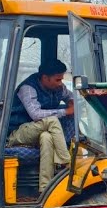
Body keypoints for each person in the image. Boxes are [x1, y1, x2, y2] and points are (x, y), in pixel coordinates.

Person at [8, 59, 74, 191]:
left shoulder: (58, 87)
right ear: (45, 78)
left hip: (38, 131)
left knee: (46, 137)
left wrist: (71, 102)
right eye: (57, 80)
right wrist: (66, 111)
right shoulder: (28, 88)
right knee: (53, 120)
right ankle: (67, 163)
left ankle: (45, 187)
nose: (60, 83)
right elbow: (35, 114)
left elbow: (71, 96)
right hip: (18, 131)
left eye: (61, 79)